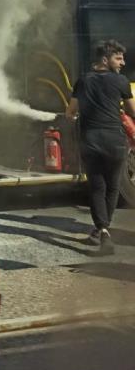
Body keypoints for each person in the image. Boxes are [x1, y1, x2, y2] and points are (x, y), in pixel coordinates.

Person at [66, 40, 135, 255]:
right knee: (113, 187)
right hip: (115, 141)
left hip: (91, 141)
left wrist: (75, 116)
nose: (123, 62)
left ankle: (102, 230)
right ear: (105, 60)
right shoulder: (121, 81)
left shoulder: (83, 80)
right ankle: (102, 229)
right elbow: (133, 110)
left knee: (97, 187)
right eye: (118, 58)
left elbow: (70, 112)